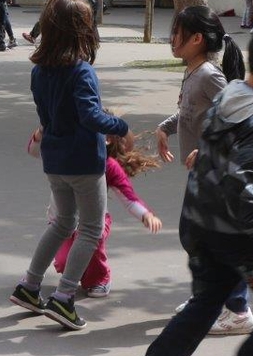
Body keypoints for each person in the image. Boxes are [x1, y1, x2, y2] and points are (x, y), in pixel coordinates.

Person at [146, 23, 253, 356]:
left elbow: (219, 150)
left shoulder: (230, 94)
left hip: (198, 220)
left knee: (208, 300)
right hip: (233, 232)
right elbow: (237, 181)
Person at [8, 0, 130, 331]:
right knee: (89, 228)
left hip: (55, 160)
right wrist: (120, 127)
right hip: (84, 163)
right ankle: (63, 299)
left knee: (61, 223)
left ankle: (29, 286)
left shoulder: (40, 72)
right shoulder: (81, 71)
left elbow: (47, 118)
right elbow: (90, 116)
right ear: (83, 31)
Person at [155, 6, 251, 334]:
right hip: (203, 172)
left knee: (214, 240)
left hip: (219, 172)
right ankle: (207, 297)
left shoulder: (209, 74)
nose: (172, 37)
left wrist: (208, 147)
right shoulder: (193, 70)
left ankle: (237, 309)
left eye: (177, 32)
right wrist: (165, 127)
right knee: (196, 237)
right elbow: (190, 111)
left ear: (196, 39)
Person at [33, 125, 162, 298]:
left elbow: (129, 197)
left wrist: (145, 214)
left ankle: (100, 278)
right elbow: (36, 151)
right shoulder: (64, 154)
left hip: (94, 222)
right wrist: (39, 134)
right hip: (62, 223)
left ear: (107, 140)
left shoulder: (108, 165)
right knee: (65, 263)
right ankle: (77, 271)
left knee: (92, 240)